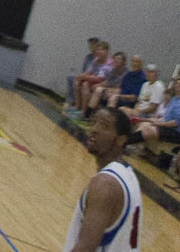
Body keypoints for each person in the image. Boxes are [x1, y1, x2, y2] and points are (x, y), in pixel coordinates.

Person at [62, 107, 141, 252]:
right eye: (93, 122)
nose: (94, 129)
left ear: (121, 140)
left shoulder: (105, 184)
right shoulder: (128, 174)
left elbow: (85, 248)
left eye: (104, 126)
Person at [71, 42, 115, 116]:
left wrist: (84, 77)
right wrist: (81, 76)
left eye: (101, 49)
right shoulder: (96, 60)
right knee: (76, 82)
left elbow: (99, 79)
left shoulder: (109, 63)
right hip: (94, 81)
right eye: (97, 49)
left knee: (85, 84)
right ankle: (77, 107)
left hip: (104, 85)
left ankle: (83, 112)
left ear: (106, 51)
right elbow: (89, 71)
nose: (98, 51)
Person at [67, 38, 103, 108]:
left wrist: (84, 77)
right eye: (90, 46)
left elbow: (98, 74)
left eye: (93, 45)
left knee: (82, 83)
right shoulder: (88, 57)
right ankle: (70, 102)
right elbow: (84, 71)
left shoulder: (99, 58)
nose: (91, 47)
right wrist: (81, 76)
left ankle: (80, 108)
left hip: (93, 79)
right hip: (86, 76)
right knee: (70, 77)